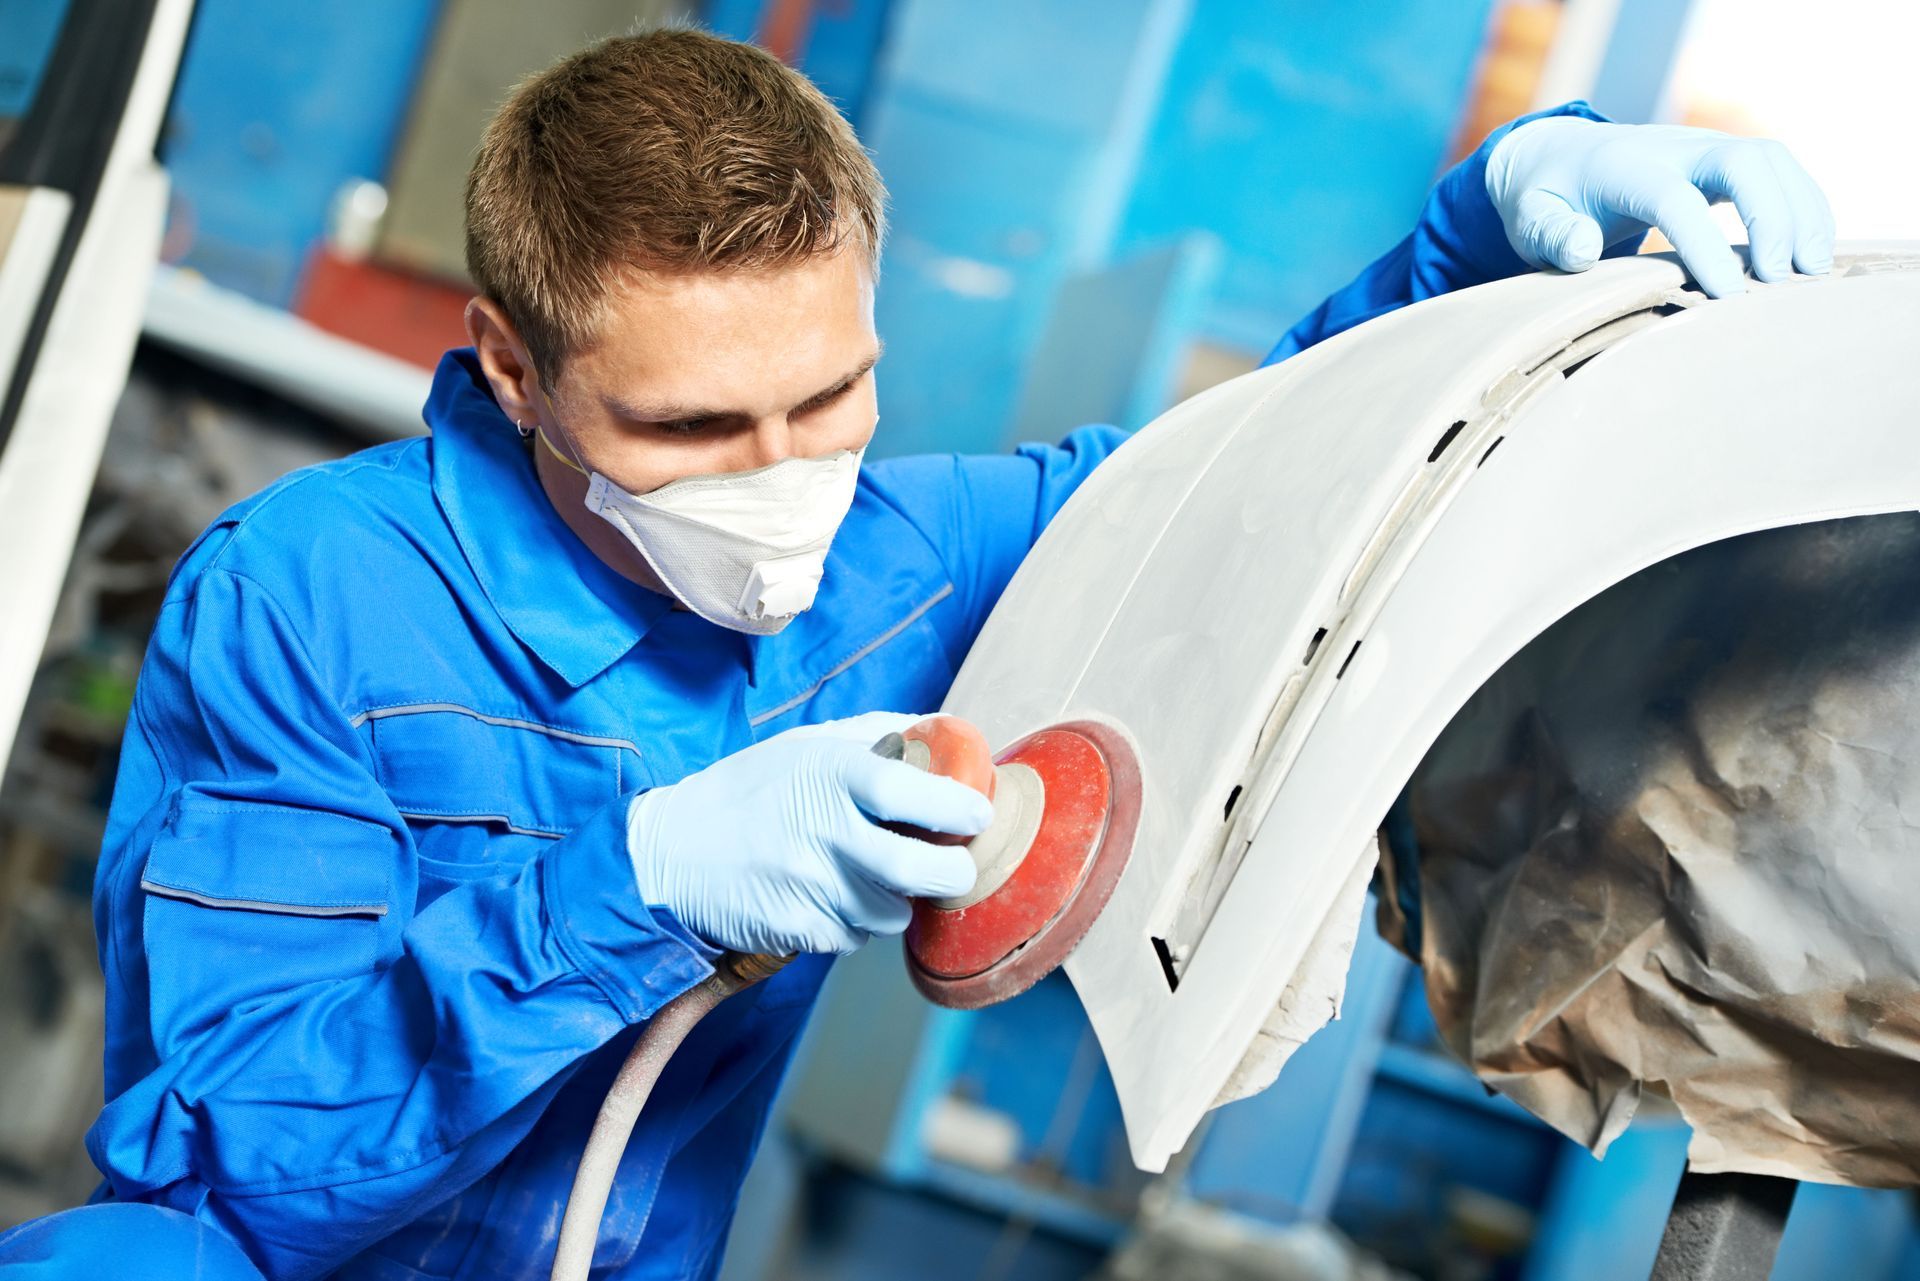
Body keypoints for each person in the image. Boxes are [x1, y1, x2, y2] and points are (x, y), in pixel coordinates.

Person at [0, 26, 1832, 1281]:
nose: (784, 478)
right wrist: (636, 886)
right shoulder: (307, 597)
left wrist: (1482, 223)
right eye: (694, 428)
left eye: (835, 393)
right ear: (508, 364)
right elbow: (247, 1156)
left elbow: (1221, 494)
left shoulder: (908, 549)